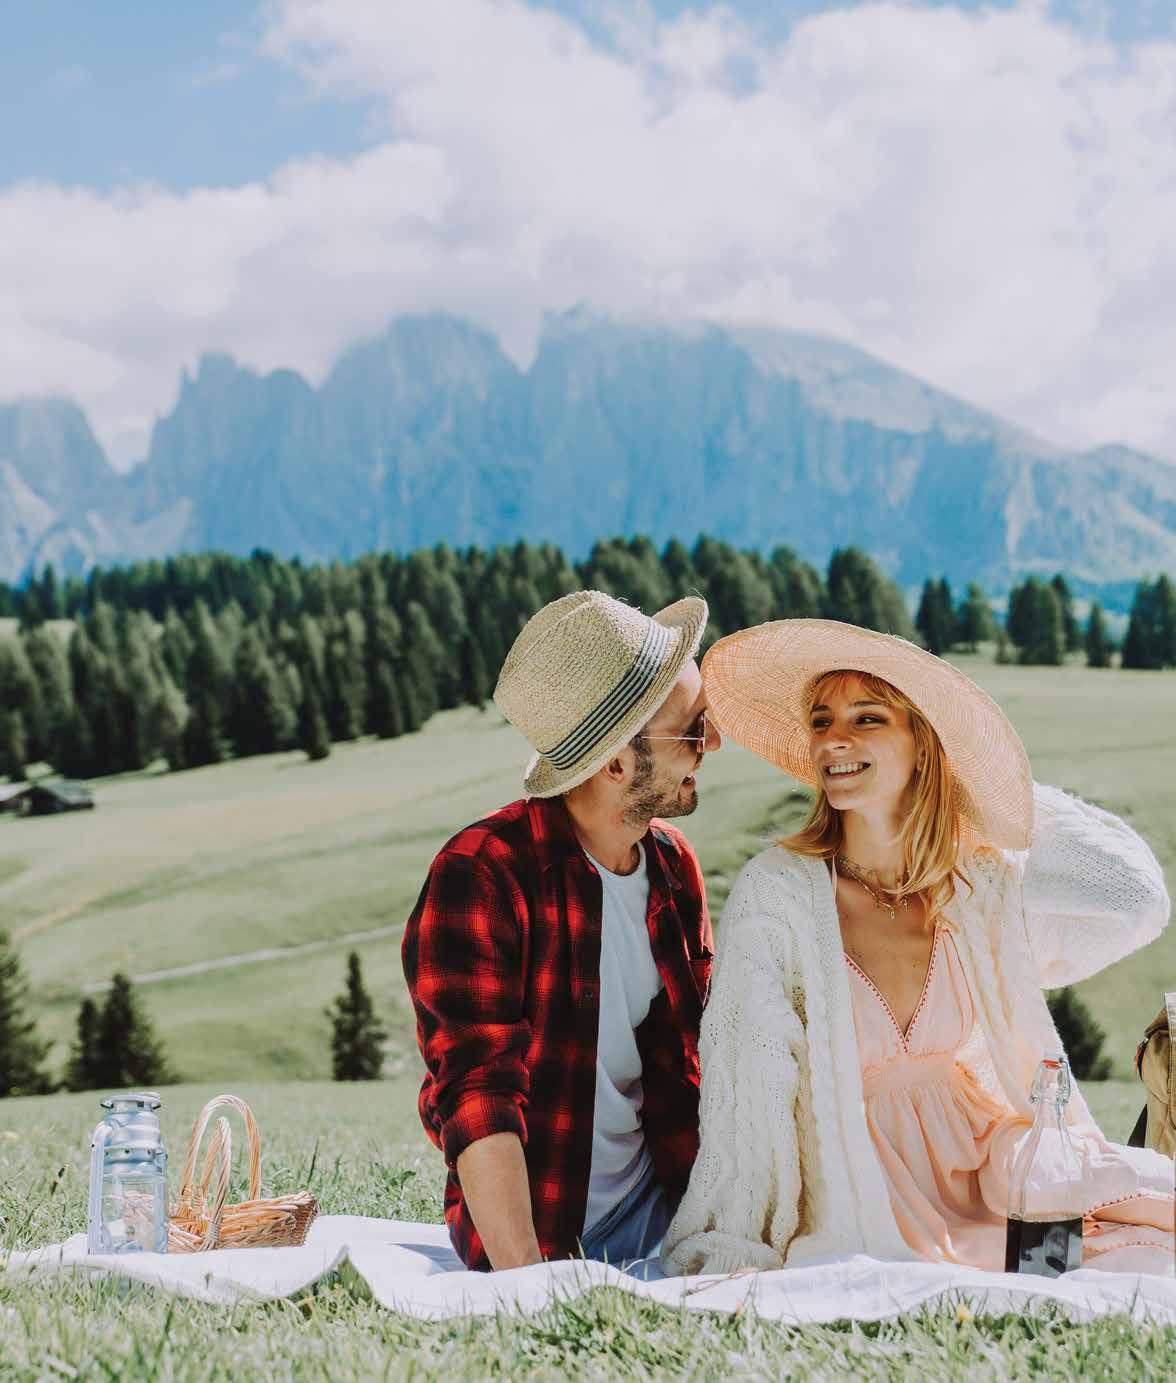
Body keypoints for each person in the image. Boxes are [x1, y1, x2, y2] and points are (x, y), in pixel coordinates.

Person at [663, 619, 1174, 1276]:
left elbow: (1135, 896)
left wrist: (986, 791)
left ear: (923, 745)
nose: (835, 738)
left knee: (1141, 1244)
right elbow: (751, 1085)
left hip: (994, 1170)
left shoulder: (975, 884)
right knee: (1037, 1273)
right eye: (821, 721)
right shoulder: (779, 893)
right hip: (868, 1191)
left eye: (867, 718)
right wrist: (744, 1234)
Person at [403, 590, 721, 1272]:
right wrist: (526, 1287)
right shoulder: (482, 875)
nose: (714, 744)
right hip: (543, 1234)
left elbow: (696, 1068)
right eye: (694, 731)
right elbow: (477, 1097)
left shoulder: (674, 867)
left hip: (672, 1218)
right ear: (616, 763)